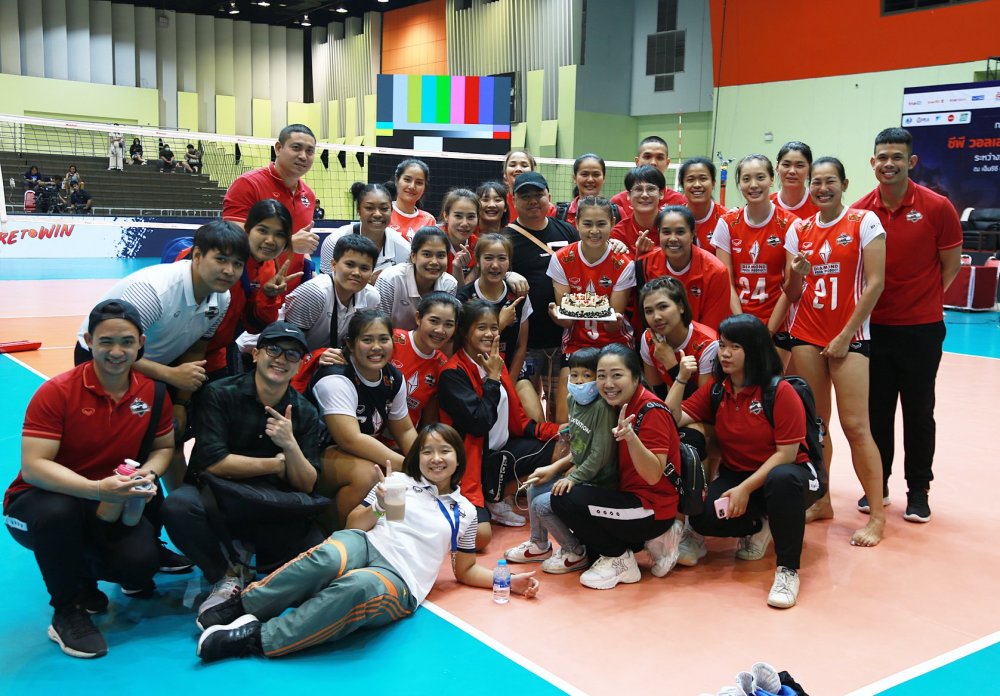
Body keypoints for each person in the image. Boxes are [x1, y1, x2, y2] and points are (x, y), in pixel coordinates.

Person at [194, 423, 538, 663]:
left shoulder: (465, 511)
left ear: (458, 458)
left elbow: (465, 569)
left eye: (445, 451)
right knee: (328, 557)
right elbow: (352, 525)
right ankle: (243, 606)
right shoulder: (397, 481)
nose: (436, 458)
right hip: (367, 543)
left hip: (401, 579)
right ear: (417, 457)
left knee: (358, 587)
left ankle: (258, 638)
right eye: (427, 451)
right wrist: (379, 504)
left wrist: (506, 580)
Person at [5, 300, 173, 658]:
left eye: (127, 342)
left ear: (141, 343)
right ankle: (66, 610)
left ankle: (82, 578)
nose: (117, 352)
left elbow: (163, 448)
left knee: (140, 565)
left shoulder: (153, 393)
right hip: (41, 503)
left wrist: (147, 474)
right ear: (88, 341)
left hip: (109, 502)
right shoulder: (57, 392)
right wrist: (96, 489)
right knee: (58, 514)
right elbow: (34, 467)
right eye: (106, 341)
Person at [162, 321, 325, 626]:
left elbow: (307, 483)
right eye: (273, 349)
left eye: (292, 354)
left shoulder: (304, 411)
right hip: (218, 498)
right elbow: (214, 463)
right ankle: (225, 576)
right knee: (178, 507)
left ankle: (253, 560)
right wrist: (277, 464)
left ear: (299, 365)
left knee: (316, 558)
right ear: (256, 354)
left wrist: (290, 444)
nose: (281, 359)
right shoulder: (219, 393)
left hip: (271, 505)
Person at [665, 314, 825, 608]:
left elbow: (786, 455)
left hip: (794, 475)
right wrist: (681, 377)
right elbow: (671, 420)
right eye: (722, 345)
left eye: (734, 347)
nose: (725, 353)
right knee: (703, 517)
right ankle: (760, 524)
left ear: (754, 349)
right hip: (739, 474)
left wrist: (745, 489)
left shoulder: (779, 392)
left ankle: (787, 570)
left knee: (782, 479)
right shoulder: (717, 389)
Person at [75, 220, 246, 489]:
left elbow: (197, 348)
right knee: (114, 439)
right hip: (102, 359)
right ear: (197, 256)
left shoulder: (221, 298)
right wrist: (170, 375)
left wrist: (180, 403)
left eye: (237, 264)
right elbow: (115, 352)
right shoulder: (154, 292)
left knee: (171, 437)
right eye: (221, 259)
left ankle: (177, 505)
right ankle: (95, 495)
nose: (229, 271)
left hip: (154, 362)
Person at [852, 127, 962, 524]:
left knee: (918, 412)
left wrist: (922, 300)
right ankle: (877, 486)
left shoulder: (938, 207)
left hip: (921, 330)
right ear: (873, 162)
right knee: (877, 412)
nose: (889, 164)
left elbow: (950, 266)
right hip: (874, 330)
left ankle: (918, 491)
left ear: (911, 161)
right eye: (882, 157)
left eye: (896, 157)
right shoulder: (861, 212)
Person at [783, 156, 887, 547]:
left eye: (830, 181)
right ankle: (822, 500)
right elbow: (792, 293)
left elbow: (875, 283)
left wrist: (844, 335)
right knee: (817, 425)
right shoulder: (799, 228)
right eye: (816, 182)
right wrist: (797, 273)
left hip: (850, 336)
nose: (822, 188)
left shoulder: (864, 222)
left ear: (844, 184)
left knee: (856, 426)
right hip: (806, 334)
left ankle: (877, 516)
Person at [550, 344, 684, 590]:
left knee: (565, 499)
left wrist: (631, 438)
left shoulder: (651, 411)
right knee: (591, 546)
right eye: (602, 376)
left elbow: (654, 475)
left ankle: (620, 560)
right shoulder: (613, 404)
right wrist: (556, 467)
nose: (608, 383)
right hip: (624, 494)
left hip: (651, 507)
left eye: (617, 375)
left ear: (636, 377)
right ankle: (642, 543)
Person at [438, 300, 561, 543]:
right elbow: (479, 423)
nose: (489, 333)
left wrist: (557, 430)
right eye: (481, 327)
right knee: (480, 538)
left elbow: (519, 421)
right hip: (472, 462)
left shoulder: (495, 361)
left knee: (565, 449)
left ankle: (497, 496)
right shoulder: (453, 373)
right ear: (465, 332)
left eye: (494, 327)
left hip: (502, 450)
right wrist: (493, 379)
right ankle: (486, 495)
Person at [503, 347, 619, 573]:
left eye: (587, 375)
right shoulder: (572, 400)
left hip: (599, 482)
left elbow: (599, 455)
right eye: (574, 375)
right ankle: (539, 544)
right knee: (535, 486)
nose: (579, 381)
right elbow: (578, 447)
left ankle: (575, 551)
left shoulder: (602, 408)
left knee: (542, 504)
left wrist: (573, 478)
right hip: (582, 475)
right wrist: (554, 467)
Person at [309, 311, 418, 529]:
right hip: (313, 456)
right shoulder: (336, 377)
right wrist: (409, 466)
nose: (376, 347)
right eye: (367, 340)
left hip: (355, 453)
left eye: (383, 339)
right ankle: (337, 533)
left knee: (411, 468)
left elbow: (405, 430)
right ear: (350, 344)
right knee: (369, 474)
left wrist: (422, 460)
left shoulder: (393, 377)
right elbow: (350, 439)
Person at [170, 199, 297, 377]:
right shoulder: (212, 256)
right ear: (248, 229)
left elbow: (255, 326)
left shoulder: (269, 268)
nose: (270, 240)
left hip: (217, 354)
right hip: (175, 350)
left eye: (279, 234)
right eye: (262, 230)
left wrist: (268, 297)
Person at [547, 195, 635, 423]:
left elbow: (612, 322)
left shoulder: (623, 263)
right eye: (587, 224)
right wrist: (557, 317)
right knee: (565, 415)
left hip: (614, 343)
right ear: (576, 223)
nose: (594, 231)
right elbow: (567, 318)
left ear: (612, 223)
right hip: (576, 343)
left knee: (612, 413)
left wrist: (613, 321)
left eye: (601, 224)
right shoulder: (561, 259)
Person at [505, 172, 580, 421]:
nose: (533, 201)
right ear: (514, 200)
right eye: (525, 196)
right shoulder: (506, 238)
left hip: (564, 338)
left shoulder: (568, 231)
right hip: (526, 343)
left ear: (549, 196)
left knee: (561, 411)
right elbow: (491, 272)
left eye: (538, 195)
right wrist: (507, 274)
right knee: (529, 413)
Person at [712, 154, 798, 362]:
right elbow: (726, 282)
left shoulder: (790, 224)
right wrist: (743, 326)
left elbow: (791, 286)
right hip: (738, 321)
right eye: (746, 179)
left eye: (760, 177)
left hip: (778, 324)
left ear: (771, 179)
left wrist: (767, 331)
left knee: (773, 380)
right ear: (739, 183)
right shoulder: (727, 223)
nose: (753, 185)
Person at [223, 124, 321, 294]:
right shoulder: (248, 184)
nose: (303, 156)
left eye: (310, 151)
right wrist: (289, 244)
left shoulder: (309, 195)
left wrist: (310, 272)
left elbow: (300, 246)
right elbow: (232, 241)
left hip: (291, 293)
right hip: (249, 291)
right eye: (296, 147)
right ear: (278, 148)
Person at [635, 205, 734, 332]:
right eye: (666, 232)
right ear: (658, 233)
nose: (673, 239)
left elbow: (712, 328)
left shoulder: (716, 272)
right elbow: (643, 320)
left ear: (693, 234)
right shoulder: (645, 264)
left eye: (680, 232)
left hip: (701, 342)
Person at [282, 234, 381, 354]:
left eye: (364, 268)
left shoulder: (372, 297)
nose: (356, 273)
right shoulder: (314, 293)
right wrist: (315, 358)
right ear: (333, 265)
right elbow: (287, 344)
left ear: (371, 273)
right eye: (350, 265)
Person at [457, 233, 532, 384]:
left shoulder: (519, 295)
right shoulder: (464, 298)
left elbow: (521, 346)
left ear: (509, 262)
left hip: (510, 373)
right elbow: (464, 346)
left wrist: (509, 385)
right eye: (488, 258)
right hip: (473, 374)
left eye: (502, 258)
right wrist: (501, 324)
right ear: (478, 261)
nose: (495, 265)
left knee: (530, 399)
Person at [639, 276, 719, 397]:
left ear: (681, 306)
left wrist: (671, 364)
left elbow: (703, 404)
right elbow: (655, 393)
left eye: (663, 307)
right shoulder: (648, 338)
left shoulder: (709, 344)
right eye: (649, 311)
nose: (656, 317)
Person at [391, 292, 461, 428]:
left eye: (448, 324)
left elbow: (429, 420)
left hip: (405, 437)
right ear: (418, 318)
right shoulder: (393, 340)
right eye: (434, 321)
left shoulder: (443, 365)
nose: (440, 330)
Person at [319, 182, 411, 278]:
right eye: (369, 208)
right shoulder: (333, 242)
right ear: (358, 210)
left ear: (391, 210)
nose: (377, 214)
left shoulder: (404, 250)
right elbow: (325, 284)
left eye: (384, 208)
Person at [375, 227, 458, 332]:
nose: (434, 262)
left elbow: (443, 327)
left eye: (441, 256)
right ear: (413, 256)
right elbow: (377, 326)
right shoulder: (391, 279)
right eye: (427, 254)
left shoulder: (449, 284)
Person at [609, 136, 686, 219]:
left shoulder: (681, 202)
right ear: (637, 161)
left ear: (667, 163)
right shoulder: (618, 202)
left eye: (659, 158)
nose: (653, 162)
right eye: (647, 157)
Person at [611, 165, 667, 256]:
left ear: (661, 194)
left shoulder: (673, 228)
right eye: (638, 189)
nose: (644, 195)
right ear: (628, 195)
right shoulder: (618, 234)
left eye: (651, 189)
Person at [679, 156, 728, 250]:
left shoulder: (726, 219)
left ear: (713, 183)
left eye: (703, 179)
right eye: (690, 179)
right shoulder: (674, 219)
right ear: (682, 185)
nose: (697, 185)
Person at [555, 153, 616, 226]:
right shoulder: (559, 214)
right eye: (584, 174)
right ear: (574, 178)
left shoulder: (617, 213)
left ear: (604, 178)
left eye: (596, 174)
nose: (590, 180)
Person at [439, 188, 479, 287]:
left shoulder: (478, 247)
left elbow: (463, 291)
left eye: (471, 217)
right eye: (458, 216)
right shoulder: (431, 241)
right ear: (446, 216)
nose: (464, 223)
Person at [388, 159, 436, 241]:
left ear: (425, 187)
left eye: (419, 182)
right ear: (396, 181)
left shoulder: (429, 220)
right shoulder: (384, 213)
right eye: (407, 180)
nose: (412, 186)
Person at [771, 141, 819, 220]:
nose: (792, 171)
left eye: (799, 165)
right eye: (786, 165)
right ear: (777, 167)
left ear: (810, 169)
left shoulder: (819, 204)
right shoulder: (767, 205)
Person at [501, 149, 556, 217]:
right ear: (505, 174)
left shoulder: (548, 209)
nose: (518, 169)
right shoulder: (499, 206)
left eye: (524, 165)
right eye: (512, 165)